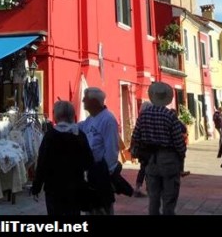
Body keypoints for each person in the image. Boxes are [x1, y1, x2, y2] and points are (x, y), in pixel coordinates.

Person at [130, 82, 186, 216]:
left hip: (150, 160)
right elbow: (179, 143)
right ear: (166, 98)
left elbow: (135, 136)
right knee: (169, 198)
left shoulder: (143, 115)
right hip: (168, 160)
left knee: (153, 199)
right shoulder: (170, 116)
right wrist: (181, 158)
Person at [31, 100, 94, 215]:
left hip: (53, 189)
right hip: (75, 187)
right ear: (72, 115)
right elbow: (89, 161)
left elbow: (42, 164)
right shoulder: (79, 135)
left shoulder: (50, 136)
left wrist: (36, 187)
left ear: (56, 116)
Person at [78, 87, 120, 215]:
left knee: (102, 209)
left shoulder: (108, 119)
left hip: (102, 172)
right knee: (93, 209)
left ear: (95, 102)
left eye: (86, 98)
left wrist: (106, 173)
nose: (83, 100)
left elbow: (112, 149)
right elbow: (80, 127)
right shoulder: (91, 119)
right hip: (92, 171)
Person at [130, 101, 152, 197]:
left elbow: (135, 135)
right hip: (151, 148)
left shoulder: (140, 119)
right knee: (150, 168)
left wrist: (132, 147)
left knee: (143, 168)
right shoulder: (152, 119)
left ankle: (138, 188)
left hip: (142, 149)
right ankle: (149, 188)